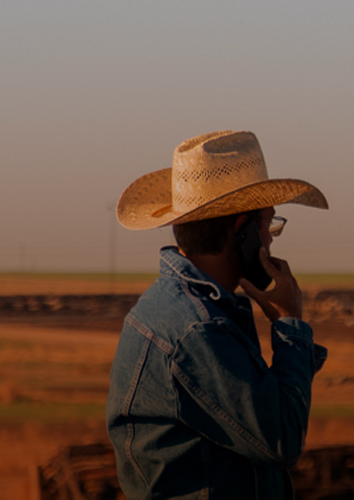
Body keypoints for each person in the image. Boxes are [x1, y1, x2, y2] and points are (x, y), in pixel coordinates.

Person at [107, 130, 331, 499]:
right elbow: (282, 439)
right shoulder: (198, 330)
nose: (272, 240)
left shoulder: (181, 310)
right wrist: (291, 324)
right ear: (244, 232)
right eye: (268, 224)